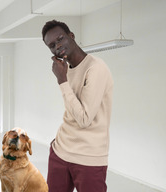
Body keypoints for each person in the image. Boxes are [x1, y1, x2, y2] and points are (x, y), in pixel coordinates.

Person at [42, 20, 113, 192]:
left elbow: (84, 119)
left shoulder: (96, 68)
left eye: (60, 39)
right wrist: (58, 142)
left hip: (89, 157)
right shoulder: (67, 69)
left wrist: (62, 80)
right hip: (60, 152)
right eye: (52, 45)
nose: (57, 46)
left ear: (71, 36)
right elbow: (71, 110)